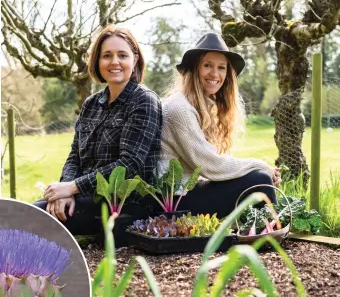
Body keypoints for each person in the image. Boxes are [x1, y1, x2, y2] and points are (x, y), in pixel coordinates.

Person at [34, 25, 162, 234]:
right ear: (97, 61)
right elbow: (75, 155)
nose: (114, 62)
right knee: (23, 214)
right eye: (106, 56)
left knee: (30, 220)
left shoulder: (144, 101)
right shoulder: (91, 104)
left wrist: (73, 187)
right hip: (83, 196)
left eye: (122, 55)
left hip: (123, 206)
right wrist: (65, 191)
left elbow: (129, 163)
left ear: (135, 59)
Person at [158, 32, 281, 218]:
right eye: (207, 65)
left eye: (221, 67)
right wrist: (260, 166)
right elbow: (211, 165)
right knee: (259, 180)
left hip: (185, 193)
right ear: (194, 69)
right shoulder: (179, 108)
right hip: (173, 201)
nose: (215, 74)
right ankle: (270, 232)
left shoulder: (201, 105)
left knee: (257, 178)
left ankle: (263, 229)